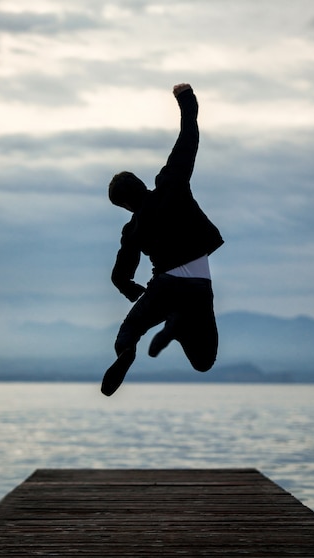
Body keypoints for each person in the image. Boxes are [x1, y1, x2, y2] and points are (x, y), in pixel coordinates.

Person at [101, 83, 224, 396]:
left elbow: (120, 275)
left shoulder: (133, 229)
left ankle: (130, 353)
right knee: (203, 361)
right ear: (142, 184)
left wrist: (133, 291)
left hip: (163, 288)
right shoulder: (171, 185)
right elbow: (188, 140)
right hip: (197, 284)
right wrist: (186, 100)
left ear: (124, 206)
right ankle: (178, 324)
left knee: (127, 333)